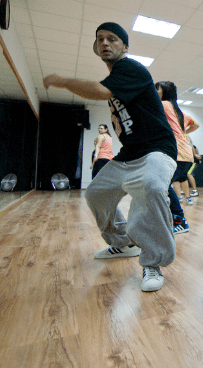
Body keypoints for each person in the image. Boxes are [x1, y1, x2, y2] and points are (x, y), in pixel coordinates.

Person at [43, 22, 177, 292]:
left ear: (124, 46)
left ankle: (153, 261)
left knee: (150, 188)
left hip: (157, 149)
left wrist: (63, 81)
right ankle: (123, 243)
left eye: (112, 39)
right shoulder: (117, 77)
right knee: (96, 194)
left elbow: (101, 91)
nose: (105, 43)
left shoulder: (130, 68)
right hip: (129, 154)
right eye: (100, 39)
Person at [156, 81, 199, 206]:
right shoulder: (179, 112)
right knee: (165, 185)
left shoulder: (163, 104)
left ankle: (178, 217)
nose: (154, 92)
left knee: (163, 186)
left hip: (177, 154)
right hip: (185, 155)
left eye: (157, 89)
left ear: (165, 91)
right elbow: (196, 124)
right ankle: (176, 216)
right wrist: (184, 133)